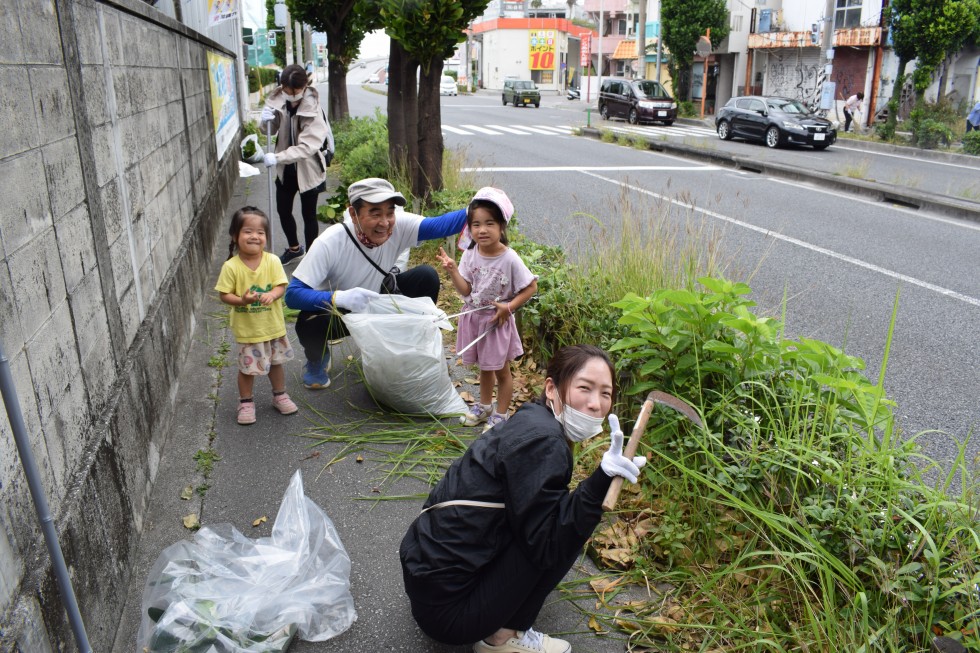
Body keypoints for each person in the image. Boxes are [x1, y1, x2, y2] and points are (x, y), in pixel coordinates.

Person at [400, 344, 648, 653]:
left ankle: (501, 616)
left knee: (560, 516)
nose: (596, 404)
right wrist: (600, 482)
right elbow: (549, 544)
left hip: (427, 581)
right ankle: (502, 638)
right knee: (569, 530)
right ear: (551, 388)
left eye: (606, 394)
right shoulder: (544, 442)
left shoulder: (533, 418)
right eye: (585, 388)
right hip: (449, 612)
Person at [283, 178, 468, 389]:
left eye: (389, 212)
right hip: (344, 311)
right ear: (354, 214)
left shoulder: (399, 223)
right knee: (307, 323)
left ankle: (411, 350)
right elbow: (293, 295)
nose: (385, 222)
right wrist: (339, 297)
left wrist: (482, 205)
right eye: (375, 213)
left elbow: (442, 225)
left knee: (426, 277)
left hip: (382, 300)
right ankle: (317, 360)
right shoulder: (330, 242)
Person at [435, 187, 538, 431]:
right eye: (476, 224)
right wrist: (453, 271)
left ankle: (500, 415)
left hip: (496, 322)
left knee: (500, 370)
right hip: (474, 319)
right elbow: (466, 291)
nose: (482, 230)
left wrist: (509, 307)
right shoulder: (471, 253)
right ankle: (484, 406)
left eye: (489, 223)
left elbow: (531, 287)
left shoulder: (510, 258)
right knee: (484, 367)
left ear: (502, 226)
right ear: (469, 227)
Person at [214, 207, 298, 425]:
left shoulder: (272, 261)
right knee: (247, 368)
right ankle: (246, 401)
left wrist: (272, 294)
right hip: (249, 330)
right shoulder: (231, 267)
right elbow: (224, 295)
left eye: (260, 232)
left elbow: (281, 286)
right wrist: (242, 300)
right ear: (235, 235)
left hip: (272, 326)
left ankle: (280, 394)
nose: (255, 236)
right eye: (248, 231)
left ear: (266, 237)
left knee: (277, 363)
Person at [260, 63, 332, 265]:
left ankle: (312, 258)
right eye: (287, 90)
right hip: (286, 170)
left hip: (309, 170)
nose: (291, 94)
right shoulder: (278, 101)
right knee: (283, 210)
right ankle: (294, 249)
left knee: (308, 215)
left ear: (304, 86)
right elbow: (269, 130)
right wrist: (264, 120)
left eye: (295, 91)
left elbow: (307, 147)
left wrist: (277, 157)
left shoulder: (313, 109)